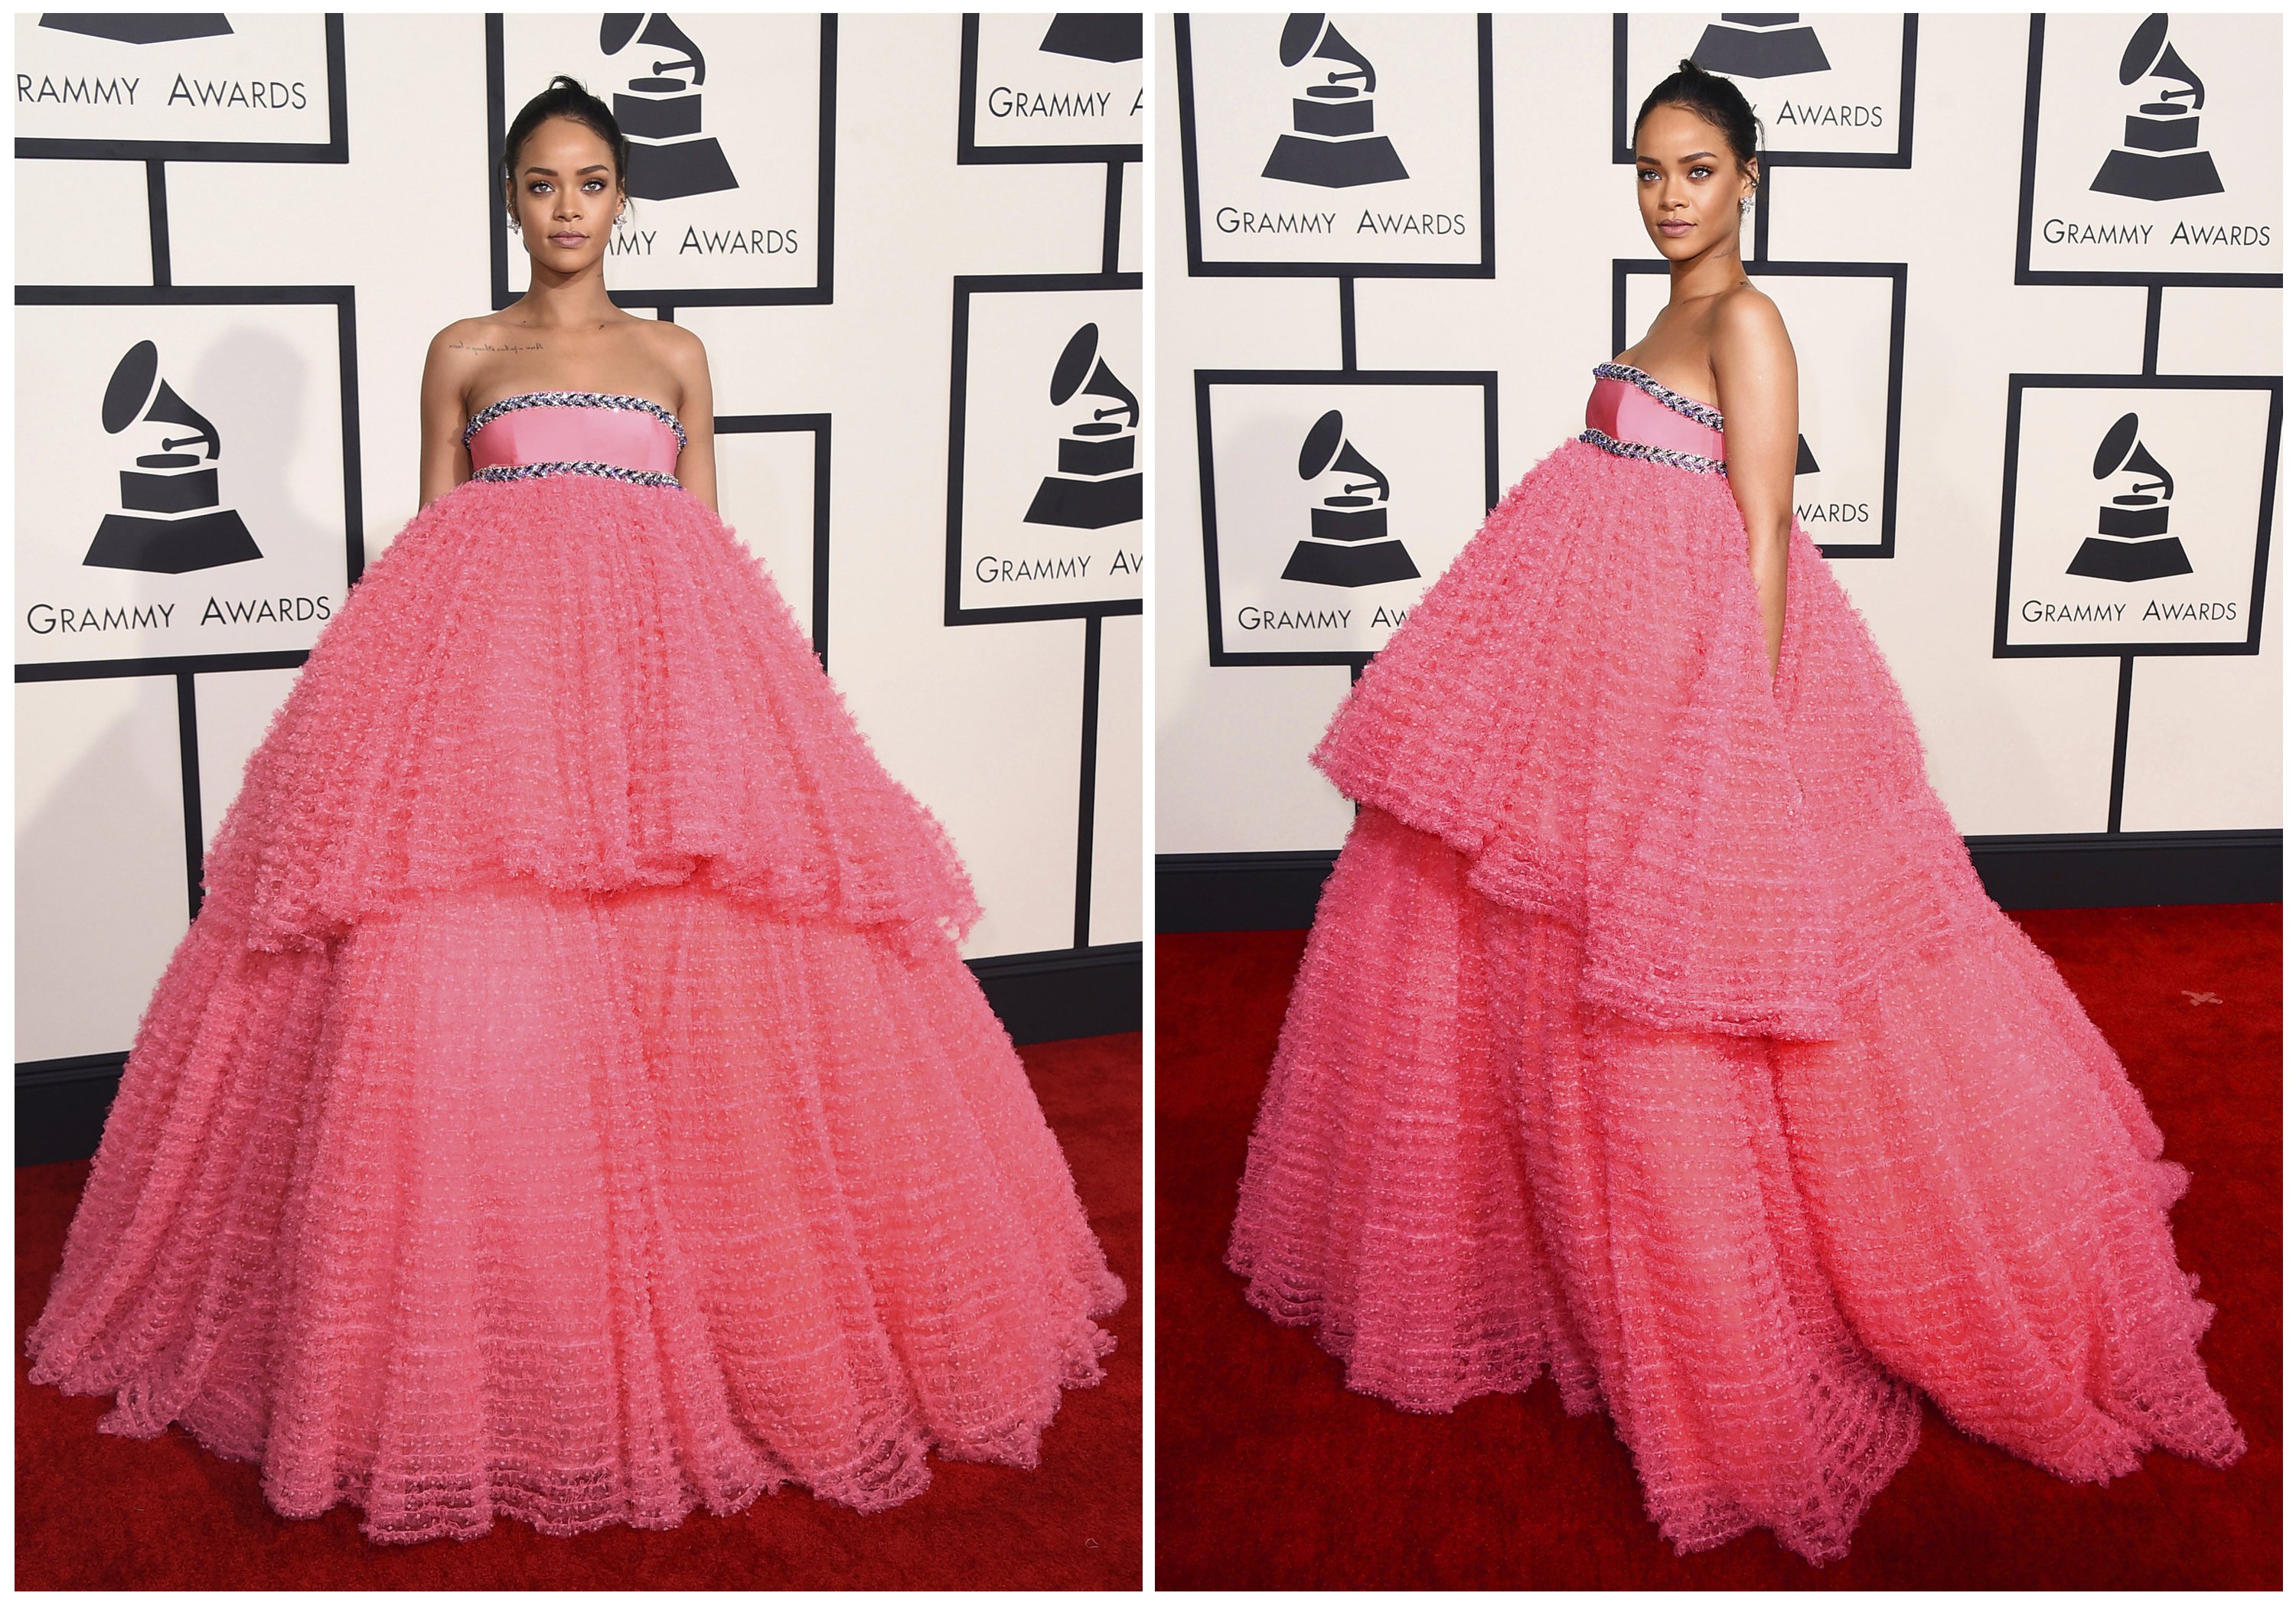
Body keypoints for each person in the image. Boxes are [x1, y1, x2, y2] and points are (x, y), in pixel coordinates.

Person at [25, 76, 1124, 1546]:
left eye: (590, 183)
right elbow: (427, 543)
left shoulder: (676, 355)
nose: (565, 210)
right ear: (511, 198)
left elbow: (708, 540)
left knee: (718, 984)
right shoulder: (462, 352)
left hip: (668, 702)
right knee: (469, 983)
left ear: (624, 196)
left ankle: (731, 1305)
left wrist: (742, 717)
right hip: (488, 706)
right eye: (540, 185)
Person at [1225, 58, 2242, 1568]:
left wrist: (1739, 736)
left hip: (1701, 686)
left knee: (1708, 987)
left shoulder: (1747, 322)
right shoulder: (1670, 313)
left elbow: (1759, 528)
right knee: (1531, 942)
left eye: (1695, 169)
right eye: (1649, 170)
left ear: (1748, 177)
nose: (1667, 194)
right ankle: (1568, 1255)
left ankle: (1742, 1290)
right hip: (1598, 666)